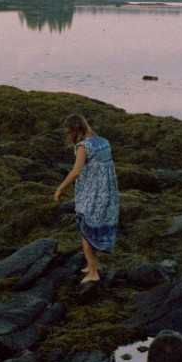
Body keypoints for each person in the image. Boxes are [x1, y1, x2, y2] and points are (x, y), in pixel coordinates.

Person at [53, 114, 120, 284]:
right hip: (107, 192)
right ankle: (93, 266)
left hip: (93, 194)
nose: (68, 135)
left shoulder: (83, 146)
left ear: (75, 130)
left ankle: (93, 273)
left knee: (86, 230)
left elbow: (76, 172)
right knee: (91, 228)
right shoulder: (103, 141)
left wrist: (60, 189)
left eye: (69, 132)